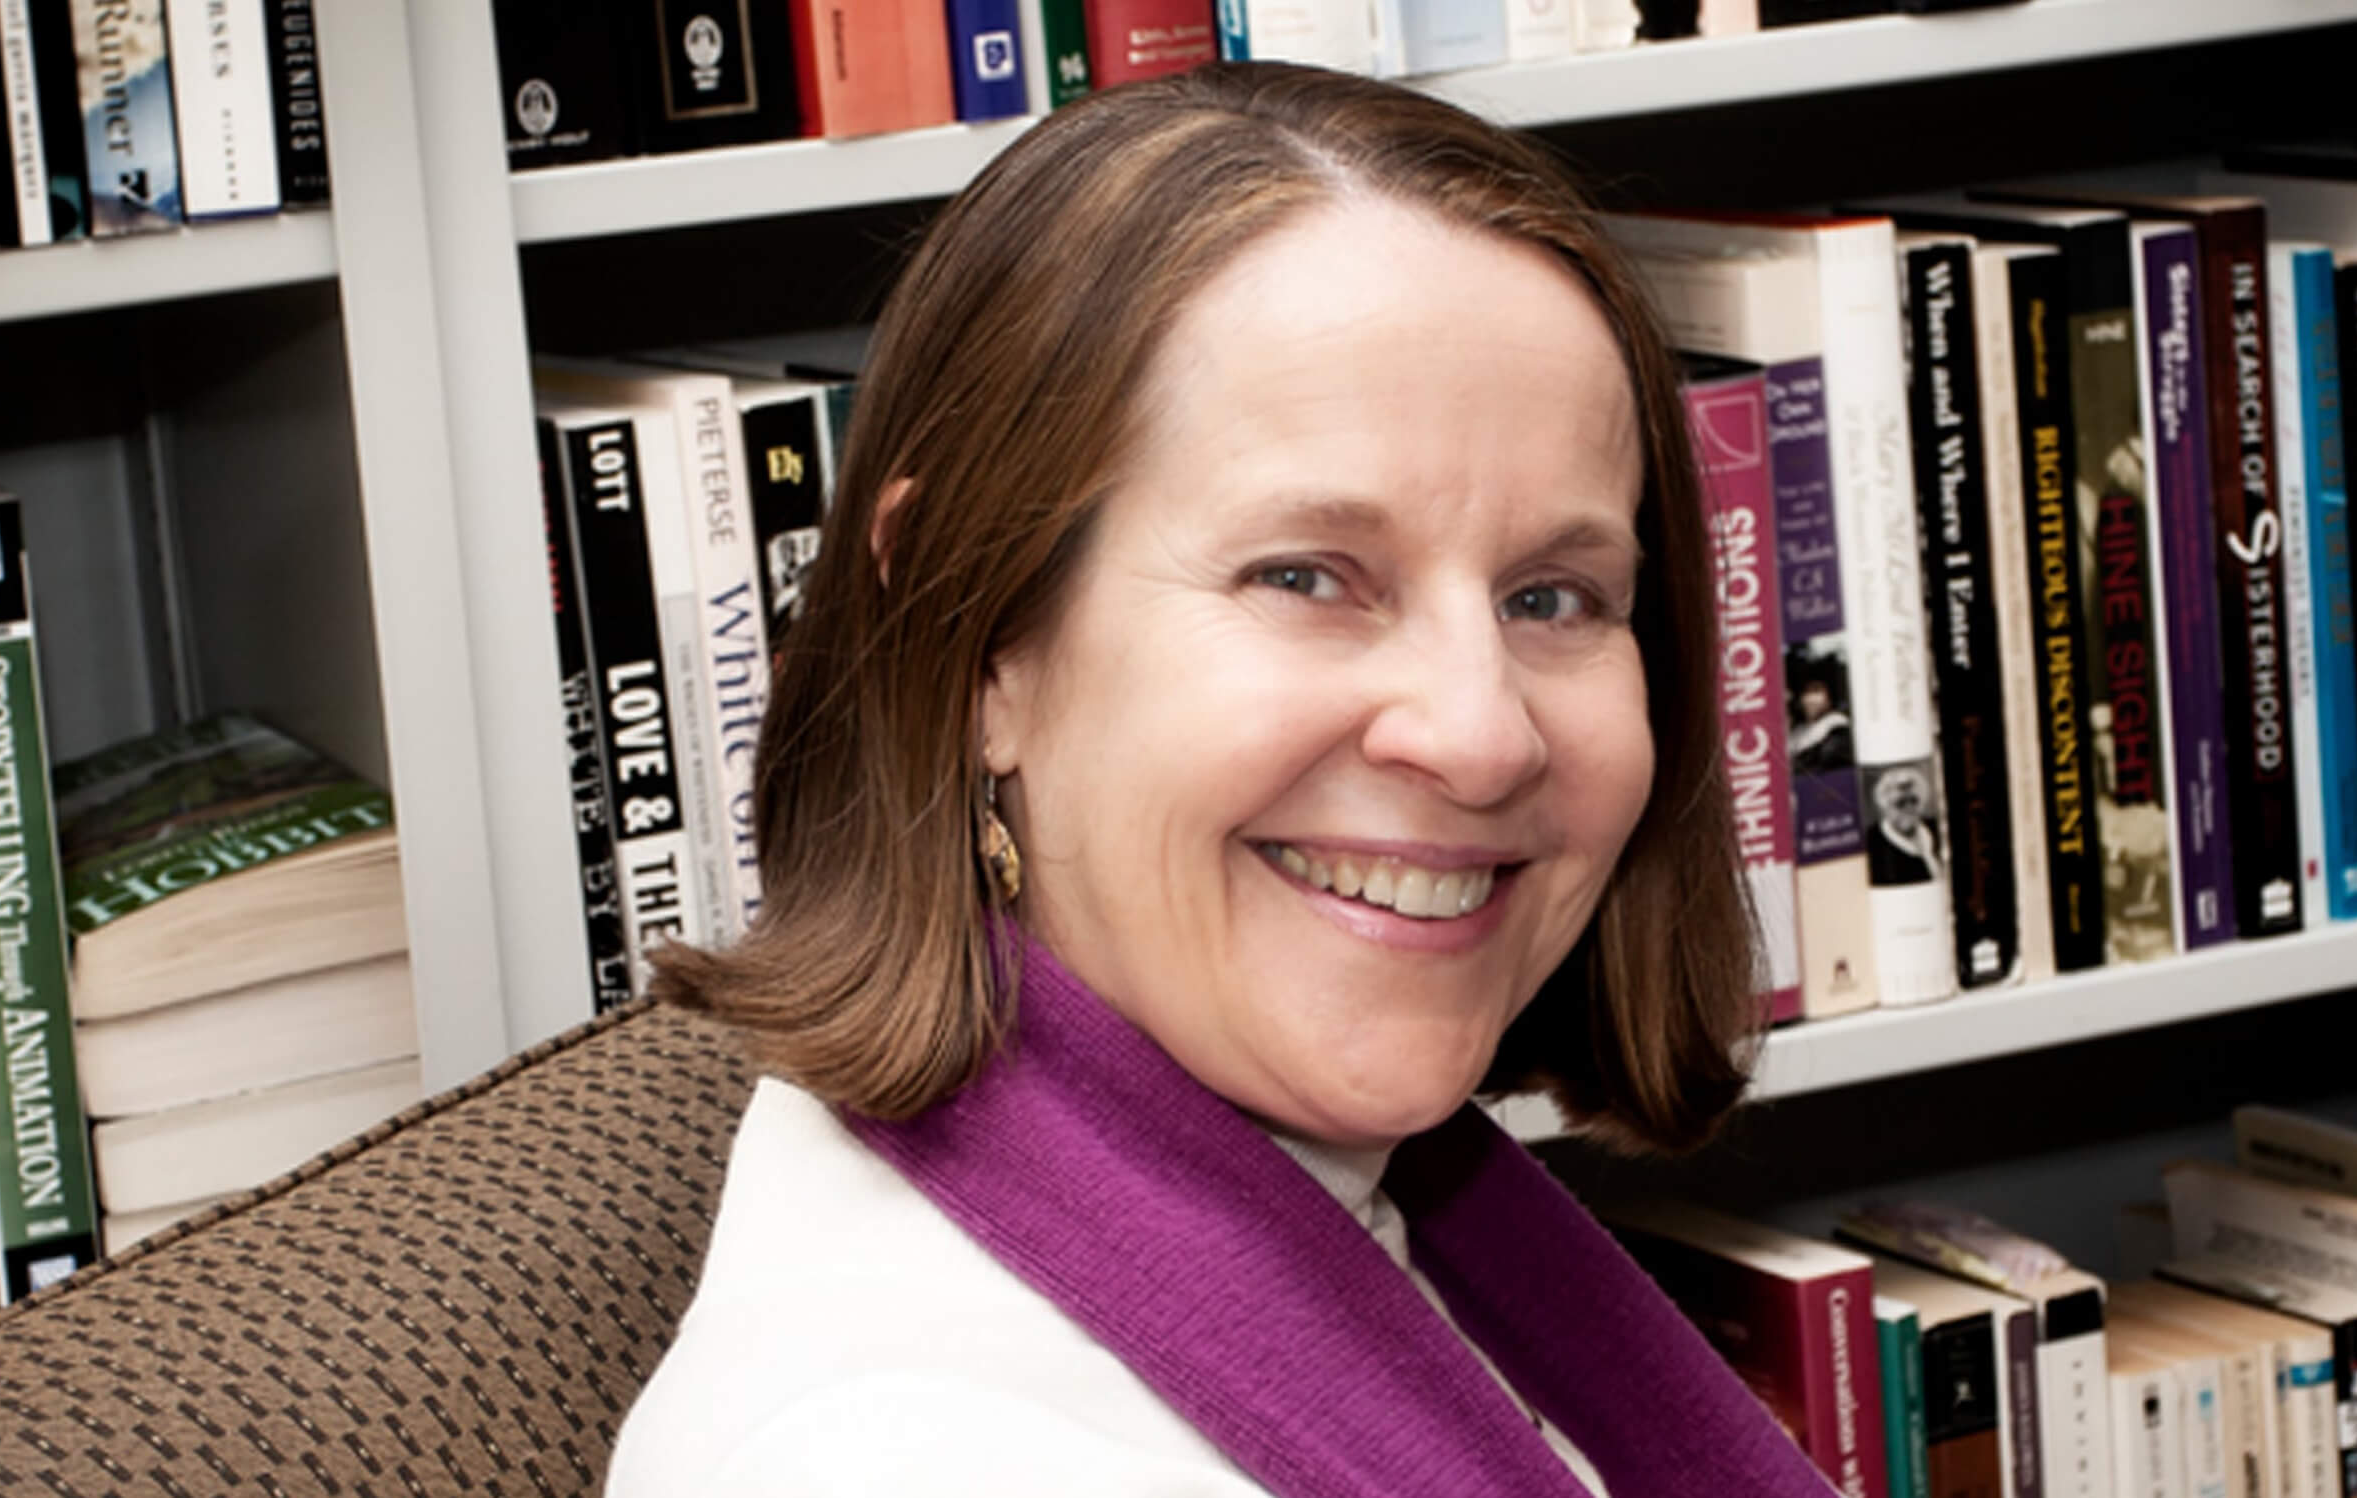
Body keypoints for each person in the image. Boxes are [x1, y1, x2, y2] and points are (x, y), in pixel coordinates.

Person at [607, 64, 1831, 1498]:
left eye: (1553, 597)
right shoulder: (908, 1451)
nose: (1481, 732)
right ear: (977, 633)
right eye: (1307, 574)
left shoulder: (1371, 1209)